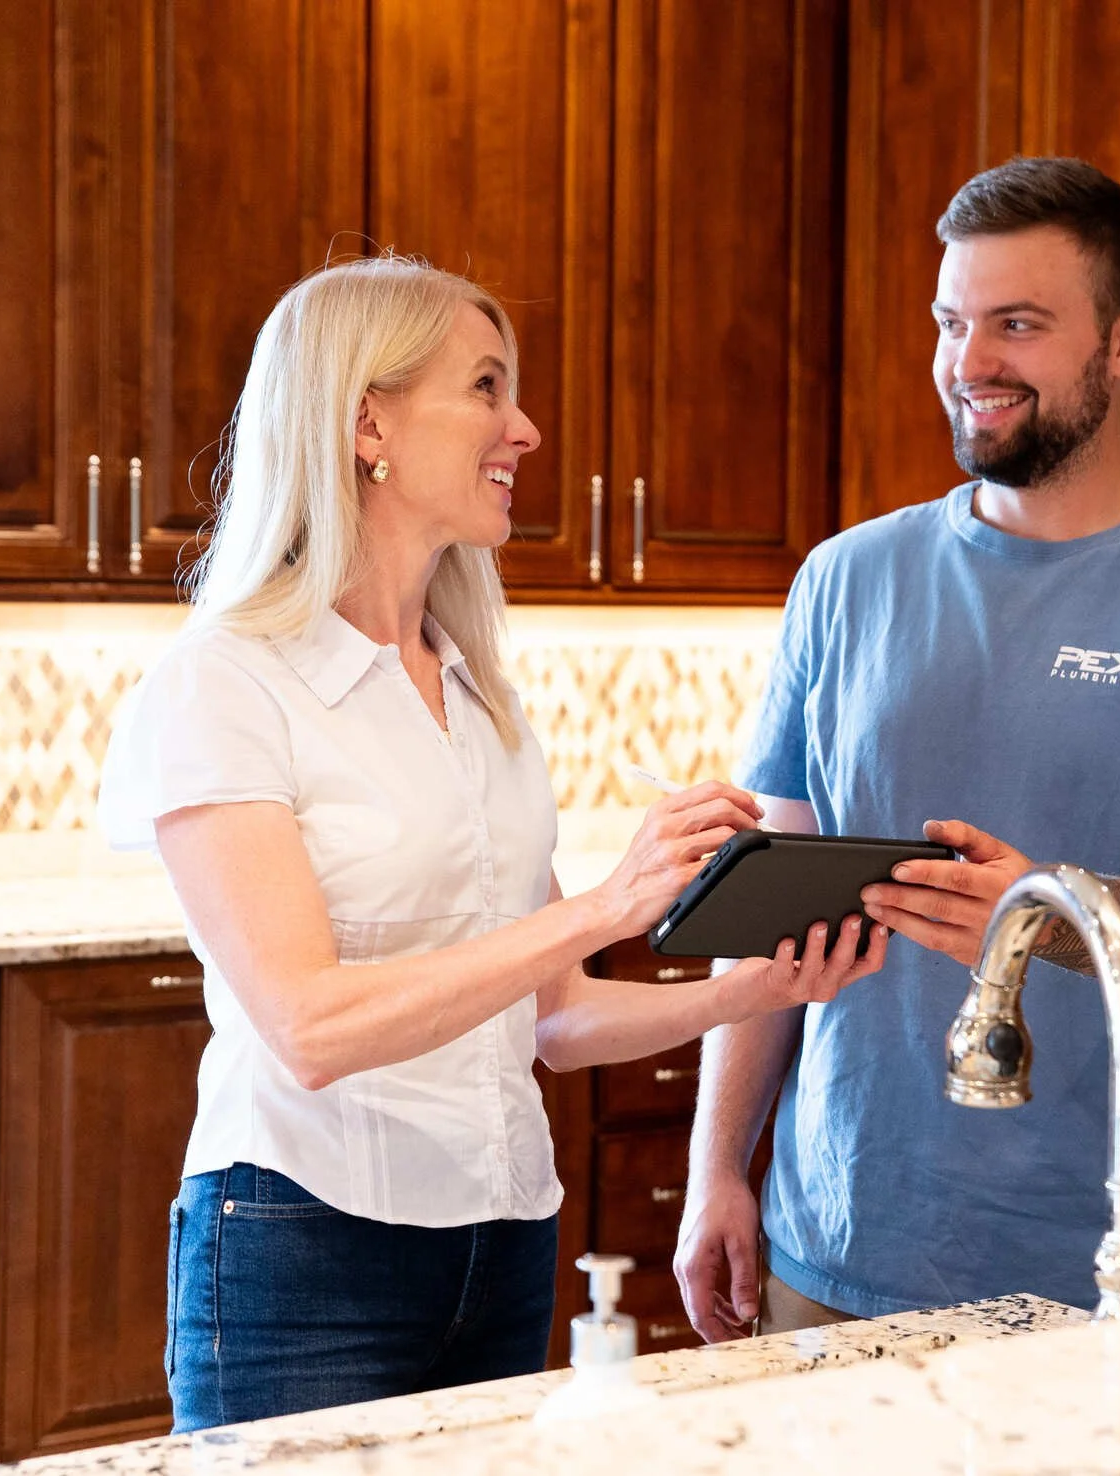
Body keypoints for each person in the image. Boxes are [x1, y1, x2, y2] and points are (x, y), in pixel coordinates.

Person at [97, 256, 888, 1430]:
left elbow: (554, 1019)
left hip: (504, 1243)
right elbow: (311, 1029)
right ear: (369, 420)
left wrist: (751, 993)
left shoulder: (477, 697)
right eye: (485, 387)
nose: (524, 427)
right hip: (304, 1251)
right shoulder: (226, 685)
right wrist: (611, 905)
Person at [672, 158, 1120, 1338]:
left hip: (1113, 1271)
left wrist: (1035, 919)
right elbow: (768, 905)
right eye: (951, 322)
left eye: (1017, 325)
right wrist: (718, 1167)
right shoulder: (845, 579)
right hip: (832, 1253)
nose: (969, 362)